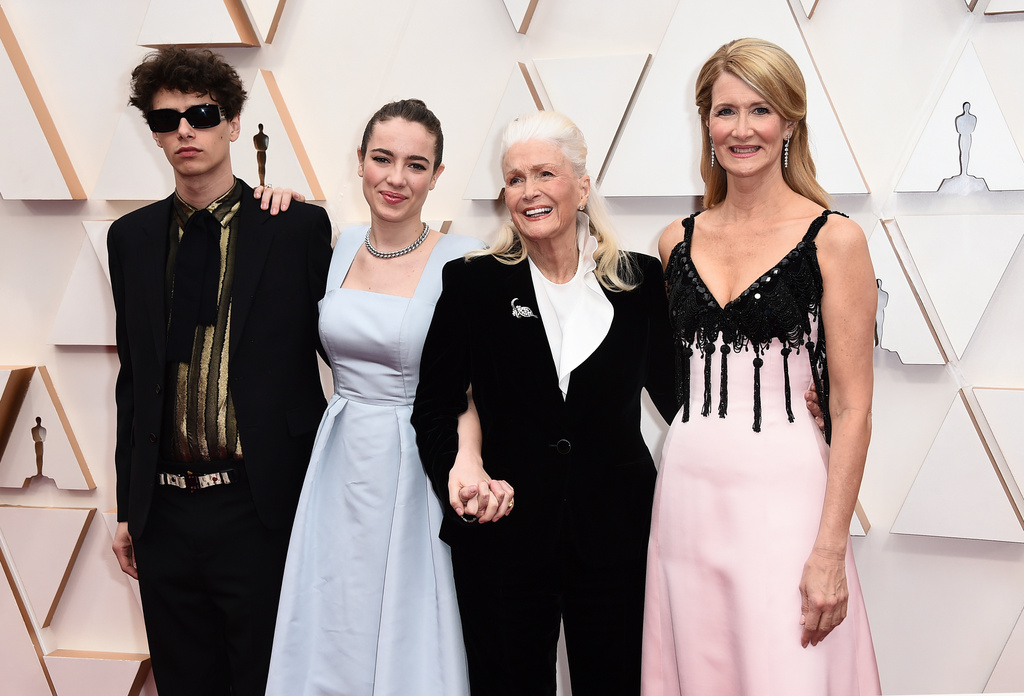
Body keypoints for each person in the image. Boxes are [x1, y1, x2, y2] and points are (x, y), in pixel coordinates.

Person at [641, 38, 881, 695]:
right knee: (698, 666)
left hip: (786, 497)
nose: (741, 129)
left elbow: (854, 408)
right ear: (706, 124)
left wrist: (830, 550)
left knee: (787, 671)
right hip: (687, 495)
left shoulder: (834, 240)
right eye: (725, 112)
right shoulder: (674, 241)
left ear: (790, 124)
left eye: (760, 110)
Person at [411, 110, 677, 696]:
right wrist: (460, 471)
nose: (529, 192)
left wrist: (792, 394)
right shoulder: (472, 284)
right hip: (501, 539)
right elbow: (434, 405)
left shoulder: (640, 283)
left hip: (615, 537)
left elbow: (682, 398)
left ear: (581, 187)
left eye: (544, 174)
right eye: (514, 178)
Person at [107, 46, 332, 696]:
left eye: (201, 114)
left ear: (233, 123)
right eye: (166, 118)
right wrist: (130, 502)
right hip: (165, 513)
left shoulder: (294, 227)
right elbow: (135, 378)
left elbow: (343, 344)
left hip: (259, 506)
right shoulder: (131, 238)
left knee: (271, 681)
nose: (184, 131)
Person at [265, 99, 481, 696]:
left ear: (437, 175)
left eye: (416, 164)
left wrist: (466, 461)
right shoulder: (335, 243)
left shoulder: (464, 259)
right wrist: (273, 200)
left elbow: (473, 388)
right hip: (337, 456)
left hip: (417, 458)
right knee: (335, 600)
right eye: (382, 159)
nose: (396, 178)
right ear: (359, 162)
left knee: (411, 606)